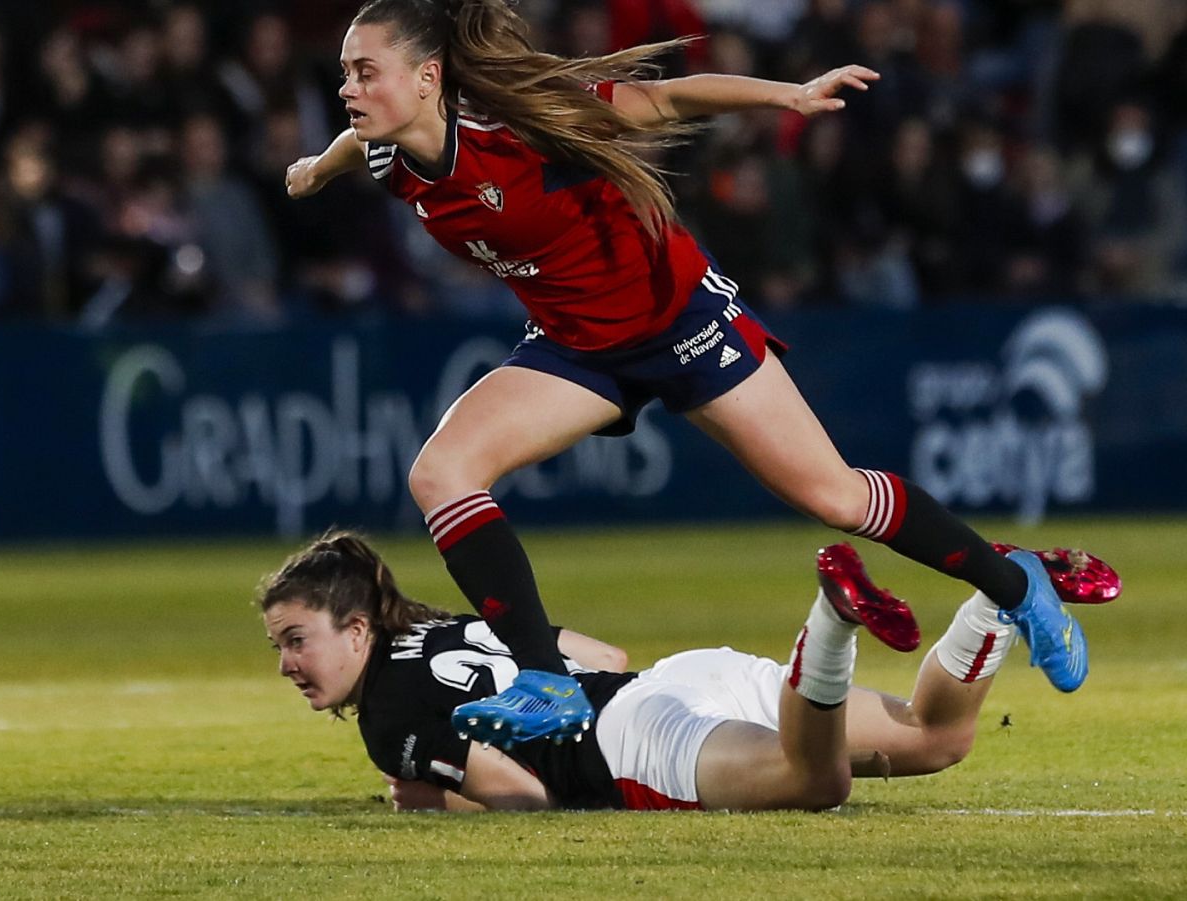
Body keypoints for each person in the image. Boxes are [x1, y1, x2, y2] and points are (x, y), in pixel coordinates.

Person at [283, 0, 1103, 745]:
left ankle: (1017, 580)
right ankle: (546, 680)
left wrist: (786, 94)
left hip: (680, 320)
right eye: (346, 71)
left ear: (428, 79)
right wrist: (320, 165)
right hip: (577, 347)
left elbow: (667, 100)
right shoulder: (391, 152)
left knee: (834, 496)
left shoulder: (514, 124)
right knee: (443, 471)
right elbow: (361, 145)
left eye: (365, 71)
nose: (349, 87)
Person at [257, 531, 1119, 812]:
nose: (289, 663)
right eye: (280, 647)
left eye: (297, 639)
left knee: (814, 781)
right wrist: (416, 784)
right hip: (677, 683)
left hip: (640, 744)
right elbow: (601, 658)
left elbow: (520, 793)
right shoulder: (443, 627)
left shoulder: (387, 714)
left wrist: (426, 785)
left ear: (358, 627)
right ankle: (1000, 599)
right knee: (939, 740)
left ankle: (831, 618)